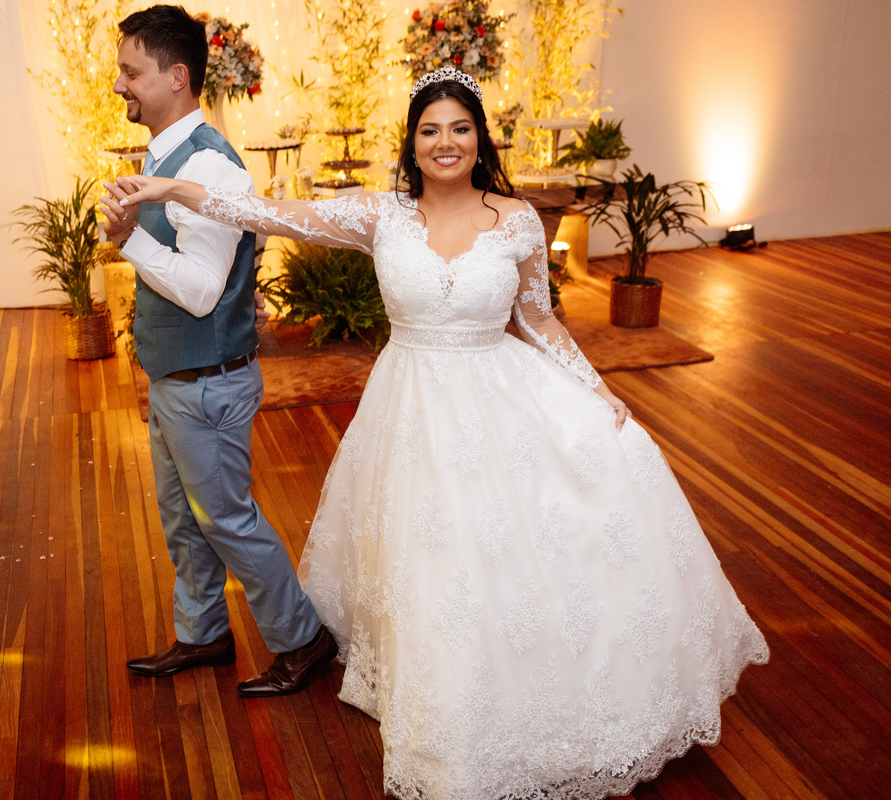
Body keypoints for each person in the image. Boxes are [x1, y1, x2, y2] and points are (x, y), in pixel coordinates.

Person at [102, 66, 769, 799]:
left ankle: (525, 689)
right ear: (412, 143)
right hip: (412, 406)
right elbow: (269, 211)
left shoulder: (516, 219)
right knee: (433, 556)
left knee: (513, 545)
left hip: (499, 397)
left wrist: (595, 386)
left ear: (479, 138)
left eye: (459, 128)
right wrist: (169, 189)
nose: (445, 142)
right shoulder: (381, 215)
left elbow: (537, 318)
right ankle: (446, 702)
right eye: (429, 130)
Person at [104, 4, 336, 697]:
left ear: (177, 77)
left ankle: (303, 639)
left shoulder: (211, 168)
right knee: (184, 520)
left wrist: (128, 241)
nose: (119, 84)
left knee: (228, 519)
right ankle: (203, 632)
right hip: (177, 378)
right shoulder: (164, 152)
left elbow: (203, 292)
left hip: (209, 384)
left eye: (131, 72)